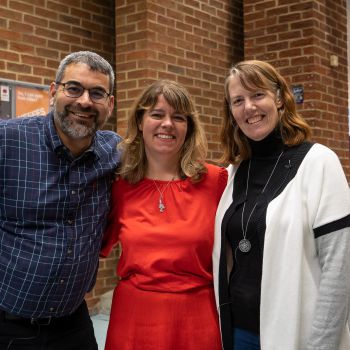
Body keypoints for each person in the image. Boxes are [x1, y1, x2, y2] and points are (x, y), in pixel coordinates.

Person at [213, 60, 350, 350]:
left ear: (279, 98)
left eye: (257, 95)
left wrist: (322, 345)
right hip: (238, 331)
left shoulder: (319, 163)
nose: (248, 107)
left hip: (298, 334)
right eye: (238, 100)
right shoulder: (232, 173)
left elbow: (339, 268)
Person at [0, 51, 121, 350]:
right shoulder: (8, 141)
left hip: (73, 324)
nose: (84, 101)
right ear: (54, 92)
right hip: (9, 326)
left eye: (97, 93)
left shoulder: (115, 151)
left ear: (110, 103)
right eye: (74, 88)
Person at [100, 79, 227, 349]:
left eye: (178, 117)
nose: (167, 123)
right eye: (157, 114)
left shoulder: (216, 182)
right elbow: (93, 245)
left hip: (197, 320)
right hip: (133, 320)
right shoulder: (120, 186)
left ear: (188, 128)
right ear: (140, 122)